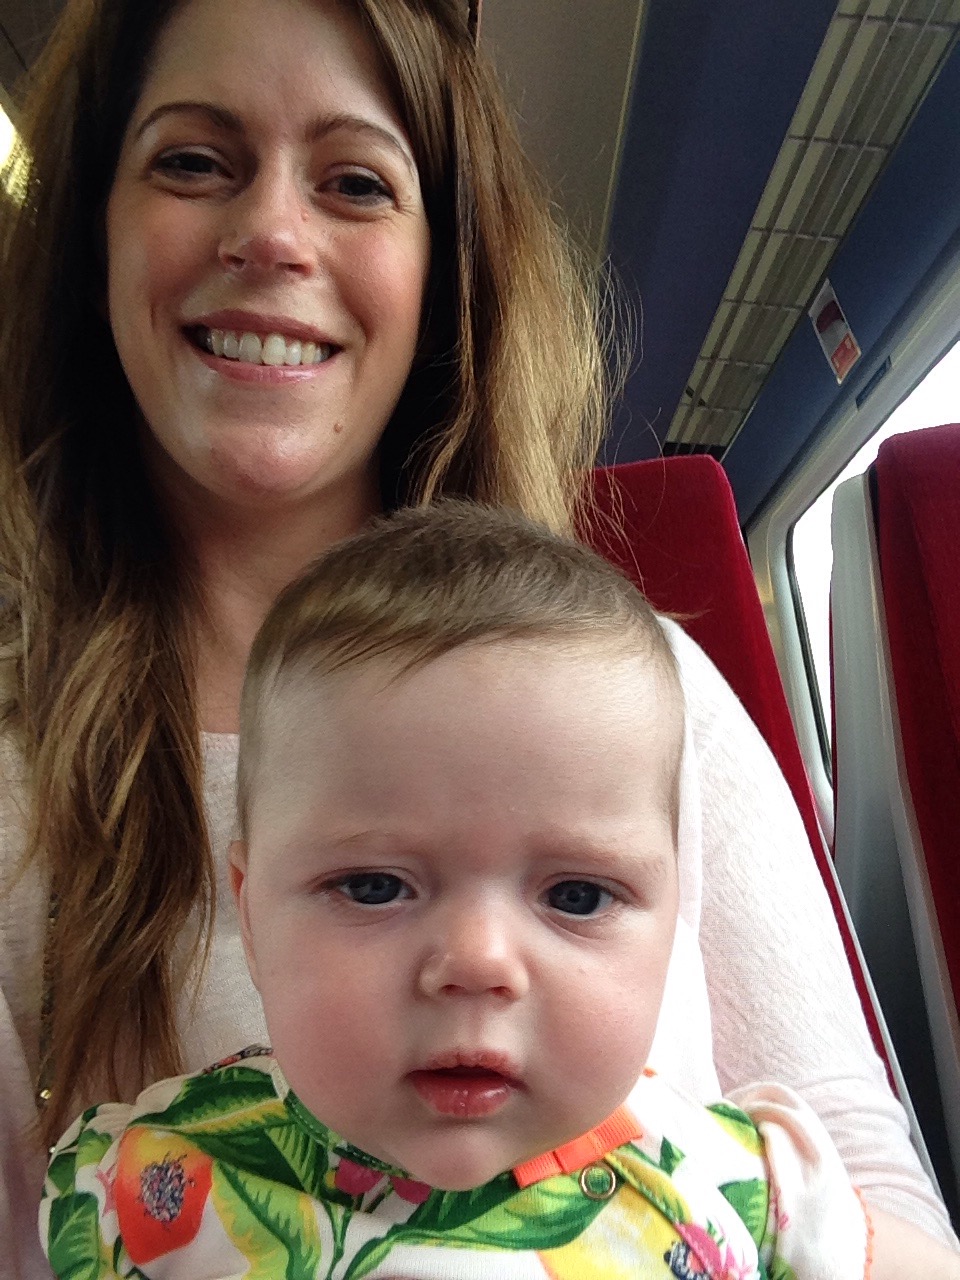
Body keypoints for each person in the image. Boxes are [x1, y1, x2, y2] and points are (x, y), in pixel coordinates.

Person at [0, 0, 955, 1274]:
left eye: (356, 181)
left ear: (439, 267)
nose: (272, 232)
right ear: (92, 238)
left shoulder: (649, 688)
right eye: (192, 161)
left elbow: (875, 1187)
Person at [41, 502, 876, 1280]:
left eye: (577, 897)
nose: (477, 962)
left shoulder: (751, 1193)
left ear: (673, 930)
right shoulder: (147, 1188)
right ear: (252, 916)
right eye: (373, 886)